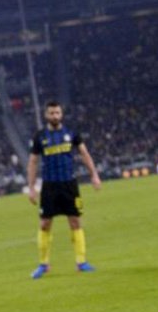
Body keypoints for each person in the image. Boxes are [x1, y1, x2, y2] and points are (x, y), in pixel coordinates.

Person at [26, 100, 102, 279]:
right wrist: (31, 187)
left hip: (69, 185)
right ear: (46, 115)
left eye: (57, 113)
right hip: (49, 186)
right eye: (51, 113)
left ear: (61, 114)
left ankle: (81, 262)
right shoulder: (40, 137)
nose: (55, 116)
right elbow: (33, 162)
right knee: (45, 224)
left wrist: (94, 175)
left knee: (75, 222)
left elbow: (84, 154)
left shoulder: (71, 134)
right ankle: (43, 264)